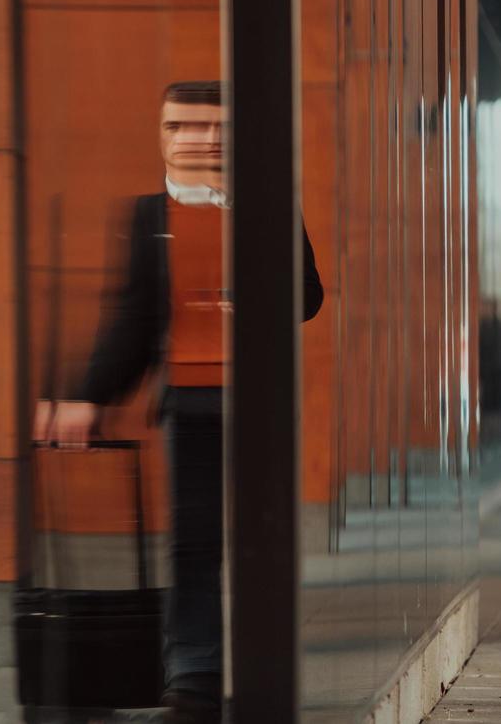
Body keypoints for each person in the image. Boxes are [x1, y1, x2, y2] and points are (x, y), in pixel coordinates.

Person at [44, 80, 323, 724]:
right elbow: (132, 321)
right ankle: (194, 682)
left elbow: (307, 297)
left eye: (211, 126)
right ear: (164, 137)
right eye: (180, 126)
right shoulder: (147, 217)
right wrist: (86, 397)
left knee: (260, 543)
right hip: (189, 403)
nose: (197, 138)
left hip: (259, 405)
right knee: (193, 546)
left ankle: (264, 670)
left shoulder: (267, 202)